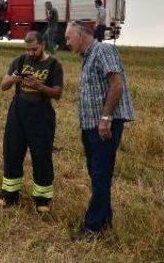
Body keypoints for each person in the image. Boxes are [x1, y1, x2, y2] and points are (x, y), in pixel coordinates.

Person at [65, 21, 134, 240]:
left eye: (68, 38)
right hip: (91, 127)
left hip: (104, 126)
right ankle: (105, 221)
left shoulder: (104, 50)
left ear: (82, 34)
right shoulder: (87, 57)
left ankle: (92, 227)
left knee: (101, 174)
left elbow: (116, 84)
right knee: (97, 175)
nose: (66, 42)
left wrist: (106, 118)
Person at [0, 31, 64, 213]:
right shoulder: (19, 61)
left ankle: (42, 199)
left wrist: (39, 86)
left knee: (41, 155)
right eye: (28, 50)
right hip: (18, 113)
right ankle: (9, 195)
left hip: (41, 115)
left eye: (34, 49)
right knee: (12, 151)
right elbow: (3, 86)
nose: (31, 53)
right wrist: (13, 79)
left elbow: (57, 93)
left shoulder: (54, 64)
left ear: (42, 45)